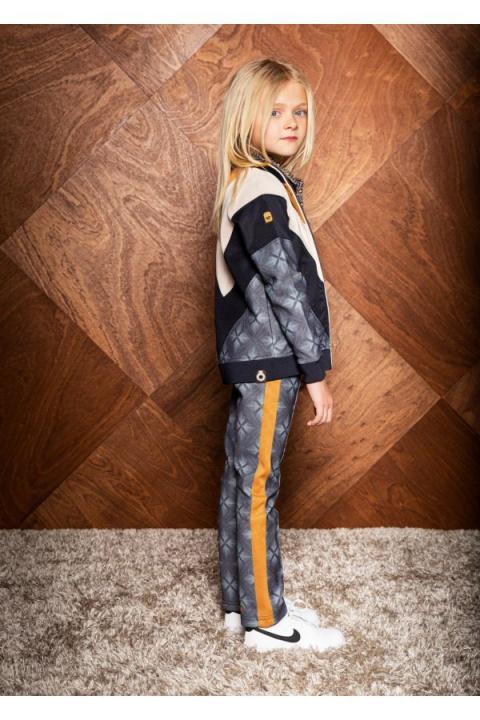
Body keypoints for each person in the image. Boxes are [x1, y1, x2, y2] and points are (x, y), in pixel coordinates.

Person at [211, 58, 346, 653]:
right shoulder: (261, 188)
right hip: (272, 359)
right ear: (246, 117)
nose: (292, 122)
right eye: (275, 111)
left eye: (300, 111)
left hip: (257, 357)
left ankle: (242, 604)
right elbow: (285, 286)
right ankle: (266, 620)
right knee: (258, 482)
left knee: (243, 477)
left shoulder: (254, 181)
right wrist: (316, 372)